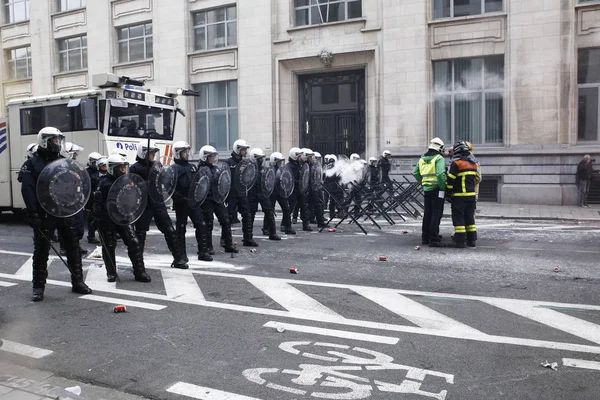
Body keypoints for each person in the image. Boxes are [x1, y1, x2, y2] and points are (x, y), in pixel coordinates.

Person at [20, 127, 93, 301]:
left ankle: (78, 282)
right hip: (44, 213)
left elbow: (72, 184)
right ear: (44, 140)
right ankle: (38, 287)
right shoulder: (32, 163)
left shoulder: (64, 161)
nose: (57, 143)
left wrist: (75, 206)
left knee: (73, 248)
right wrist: (32, 212)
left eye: (59, 140)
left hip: (63, 211)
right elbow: (27, 189)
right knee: (41, 251)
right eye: (54, 140)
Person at [130, 140, 188, 269]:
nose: (153, 155)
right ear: (143, 153)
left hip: (157, 201)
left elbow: (164, 180)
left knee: (170, 230)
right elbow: (131, 185)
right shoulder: (134, 168)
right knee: (140, 233)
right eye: (151, 153)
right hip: (143, 204)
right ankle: (138, 265)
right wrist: (144, 183)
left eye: (154, 153)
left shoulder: (157, 165)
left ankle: (179, 259)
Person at [93, 154, 151, 282]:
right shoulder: (103, 183)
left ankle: (139, 271)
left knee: (134, 242)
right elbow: (97, 203)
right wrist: (98, 218)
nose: (124, 171)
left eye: (125, 168)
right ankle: (111, 272)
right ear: (113, 168)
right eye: (121, 168)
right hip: (107, 219)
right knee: (109, 246)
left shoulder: (127, 180)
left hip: (123, 218)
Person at [171, 141, 213, 262]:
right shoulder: (174, 169)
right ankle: (182, 255)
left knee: (201, 224)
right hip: (181, 203)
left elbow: (198, 183)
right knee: (181, 228)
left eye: (187, 151)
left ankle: (203, 252)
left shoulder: (192, 167)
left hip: (193, 202)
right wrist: (179, 198)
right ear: (178, 153)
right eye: (185, 152)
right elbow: (170, 188)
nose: (187, 154)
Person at [198, 145, 238, 254]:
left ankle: (228, 244)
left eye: (214, 156)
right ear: (205, 157)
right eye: (211, 156)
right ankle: (208, 246)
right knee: (208, 222)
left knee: (225, 220)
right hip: (206, 200)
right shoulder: (200, 169)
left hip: (217, 198)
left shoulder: (216, 168)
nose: (213, 158)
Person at [414, 138, 447, 247]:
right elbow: (441, 174)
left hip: (427, 190)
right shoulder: (439, 158)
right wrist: (443, 187)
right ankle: (434, 238)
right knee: (436, 214)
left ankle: (425, 237)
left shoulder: (422, 159)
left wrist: (423, 183)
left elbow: (416, 173)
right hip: (437, 189)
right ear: (440, 148)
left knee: (427, 213)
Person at [446, 140, 479, 249]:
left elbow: (451, 180)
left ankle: (460, 241)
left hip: (459, 196)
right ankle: (472, 240)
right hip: (471, 196)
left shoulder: (457, 163)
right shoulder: (474, 163)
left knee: (459, 218)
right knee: (470, 218)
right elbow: (476, 179)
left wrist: (448, 192)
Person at [225, 139, 257, 247]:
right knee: (228, 217)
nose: (245, 152)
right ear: (237, 149)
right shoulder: (228, 162)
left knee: (247, 215)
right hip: (231, 194)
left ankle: (248, 238)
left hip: (242, 193)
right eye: (243, 149)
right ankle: (225, 239)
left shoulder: (246, 163)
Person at [59, 142, 88, 256]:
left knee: (79, 225)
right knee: (65, 225)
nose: (76, 156)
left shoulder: (74, 165)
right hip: (66, 201)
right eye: (75, 153)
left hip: (76, 200)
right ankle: (63, 247)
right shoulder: (61, 166)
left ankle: (76, 245)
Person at [248, 148, 281, 241]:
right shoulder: (249, 168)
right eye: (259, 158)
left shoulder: (264, 168)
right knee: (251, 214)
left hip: (262, 192)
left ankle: (272, 233)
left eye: (262, 158)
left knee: (269, 212)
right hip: (253, 193)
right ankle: (248, 236)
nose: (261, 160)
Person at [262, 152, 295, 235]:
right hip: (272, 193)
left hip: (280, 191)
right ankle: (266, 228)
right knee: (269, 210)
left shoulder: (282, 169)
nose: (280, 163)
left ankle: (288, 227)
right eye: (279, 161)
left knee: (287, 209)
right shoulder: (269, 169)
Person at [288, 147, 312, 231]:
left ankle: (306, 224)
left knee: (304, 207)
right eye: (298, 156)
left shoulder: (300, 165)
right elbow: (288, 178)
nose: (300, 158)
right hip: (293, 190)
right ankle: (285, 224)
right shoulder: (289, 166)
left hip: (301, 190)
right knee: (290, 208)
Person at [85, 152, 103, 244]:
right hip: (90, 198)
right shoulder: (87, 172)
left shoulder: (99, 172)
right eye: (94, 162)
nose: (95, 164)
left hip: (98, 198)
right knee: (91, 218)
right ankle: (91, 236)